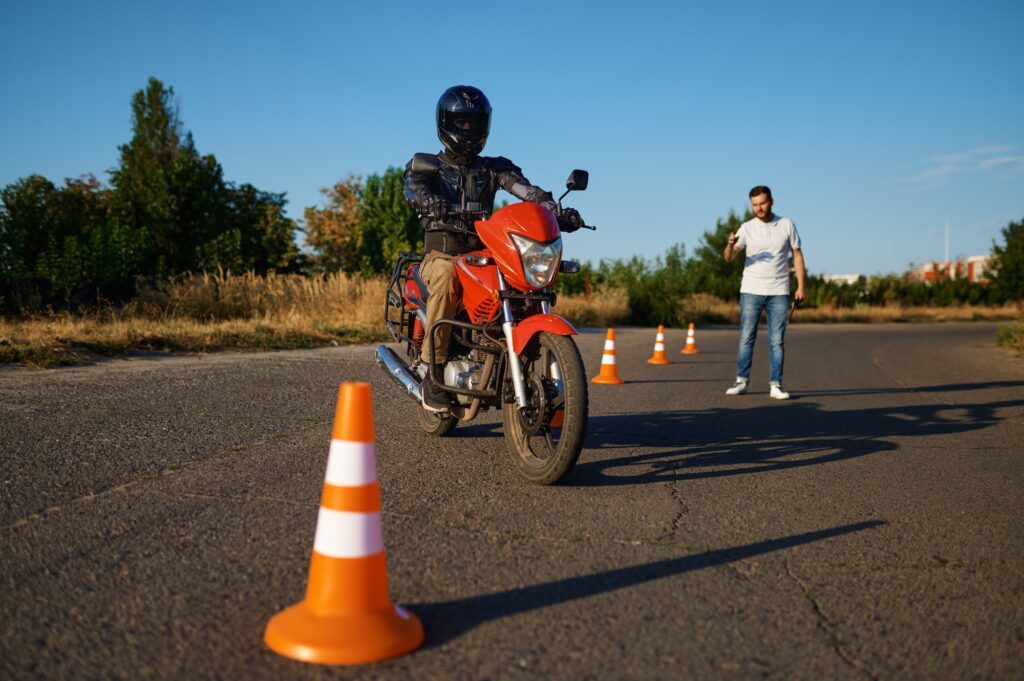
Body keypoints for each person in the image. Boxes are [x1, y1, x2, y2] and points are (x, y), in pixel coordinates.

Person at [403, 85, 583, 413]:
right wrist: (428, 201)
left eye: (475, 123)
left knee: (522, 284)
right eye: (462, 123)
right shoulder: (427, 165)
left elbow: (526, 191)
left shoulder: (494, 168)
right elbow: (413, 189)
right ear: (446, 124)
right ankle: (433, 370)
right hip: (443, 253)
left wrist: (554, 210)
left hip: (486, 254)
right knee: (445, 277)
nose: (468, 130)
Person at [722, 185, 806, 399]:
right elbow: (729, 257)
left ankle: (776, 385)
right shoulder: (747, 228)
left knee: (776, 340)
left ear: (772, 202)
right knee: (746, 337)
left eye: (762, 203)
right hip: (751, 290)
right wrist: (730, 245)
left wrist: (801, 286)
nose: (758, 208)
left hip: (779, 291)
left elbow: (797, 255)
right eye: (755, 205)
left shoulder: (787, 224)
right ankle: (741, 381)